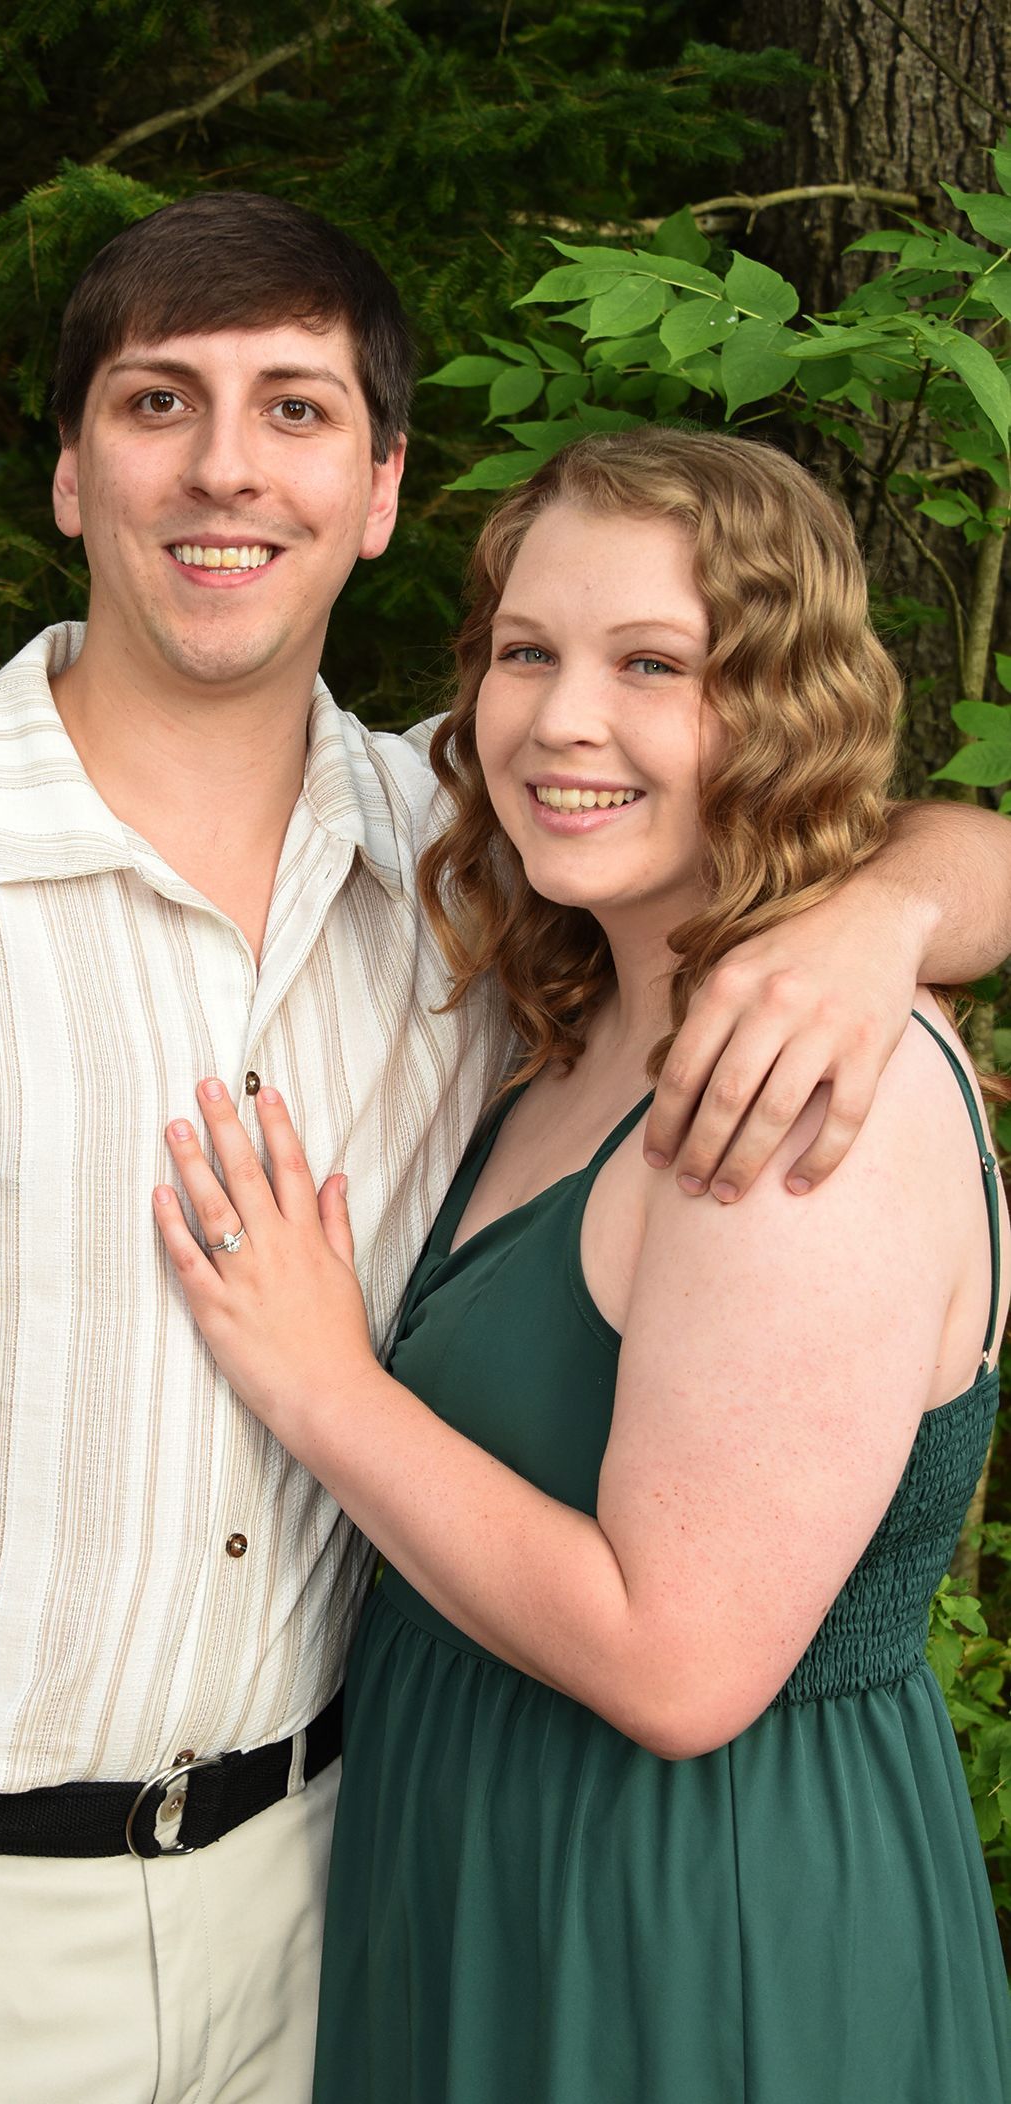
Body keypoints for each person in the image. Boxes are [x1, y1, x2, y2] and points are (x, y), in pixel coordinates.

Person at [0, 196, 1011, 2104]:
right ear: (71, 473)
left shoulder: (458, 867)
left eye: (298, 409)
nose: (226, 469)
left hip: (325, 1907)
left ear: (381, 487)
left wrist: (881, 916)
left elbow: (897, 842)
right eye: (157, 402)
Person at [153, 426, 1011, 2104]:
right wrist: (896, 903)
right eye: (528, 653)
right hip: (485, 1874)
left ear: (784, 710)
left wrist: (321, 1387)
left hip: (692, 1923)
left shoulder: (800, 1083)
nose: (563, 719)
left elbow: (679, 1666)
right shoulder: (578, 1017)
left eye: (655, 665)